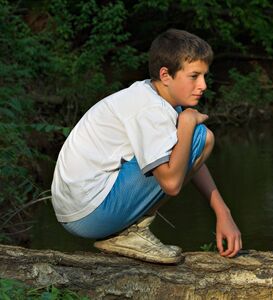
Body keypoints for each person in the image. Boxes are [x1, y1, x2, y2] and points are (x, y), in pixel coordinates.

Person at [51, 29, 242, 264]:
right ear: (166, 75)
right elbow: (172, 183)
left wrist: (223, 212)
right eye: (194, 76)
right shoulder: (151, 110)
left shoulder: (153, 95)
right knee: (203, 136)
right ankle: (132, 233)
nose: (203, 85)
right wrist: (188, 122)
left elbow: (190, 156)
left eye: (204, 76)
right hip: (90, 213)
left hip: (77, 210)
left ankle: (126, 231)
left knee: (195, 138)